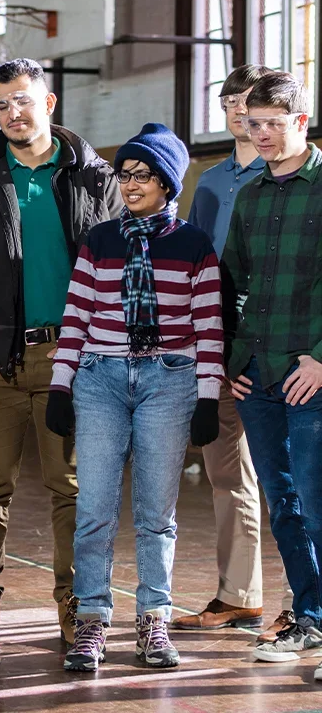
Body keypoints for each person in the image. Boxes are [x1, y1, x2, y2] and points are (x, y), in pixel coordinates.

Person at [48, 123, 224, 671]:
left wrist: (208, 397)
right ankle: (92, 623)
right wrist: (61, 383)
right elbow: (75, 315)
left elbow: (209, 326)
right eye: (124, 174)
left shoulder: (194, 246)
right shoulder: (98, 241)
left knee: (156, 514)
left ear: (167, 182)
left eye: (142, 175)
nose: (129, 184)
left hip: (169, 380)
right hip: (100, 378)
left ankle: (153, 623)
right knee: (94, 510)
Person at [0, 58, 122, 644]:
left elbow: (112, 269)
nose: (11, 113)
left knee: (72, 490)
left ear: (49, 104)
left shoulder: (92, 176)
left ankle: (77, 610)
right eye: (1, 104)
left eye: (22, 101)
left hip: (72, 360)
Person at [173, 64, 294, 641]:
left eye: (250, 103)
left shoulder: (290, 179)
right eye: (230, 103)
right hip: (224, 346)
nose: (241, 114)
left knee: (296, 481)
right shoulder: (214, 182)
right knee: (229, 474)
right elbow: (199, 264)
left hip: (285, 346)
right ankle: (240, 594)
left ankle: (305, 602)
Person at [222, 72, 322, 677]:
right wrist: (234, 362)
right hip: (258, 372)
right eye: (253, 123)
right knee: (281, 503)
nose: (260, 134)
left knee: (317, 501)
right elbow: (234, 284)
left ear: (301, 123)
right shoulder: (252, 196)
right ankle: (310, 619)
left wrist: (321, 355)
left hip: (310, 373)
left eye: (273, 124)